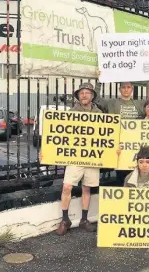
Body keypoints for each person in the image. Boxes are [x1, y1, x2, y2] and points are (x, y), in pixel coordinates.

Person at [56, 82, 102, 235]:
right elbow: (60, 134)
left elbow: (105, 134)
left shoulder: (99, 113)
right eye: (81, 93)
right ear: (78, 96)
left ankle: (84, 219)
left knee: (86, 188)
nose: (84, 95)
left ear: (92, 96)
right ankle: (65, 219)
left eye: (87, 93)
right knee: (67, 186)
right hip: (75, 156)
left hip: (92, 156)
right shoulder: (71, 112)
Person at [94, 70, 149, 186]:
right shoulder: (112, 103)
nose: (126, 89)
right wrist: (99, 81)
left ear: (132, 89)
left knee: (135, 175)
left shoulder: (138, 104)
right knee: (121, 177)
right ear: (119, 89)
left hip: (135, 145)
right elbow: (96, 100)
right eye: (123, 87)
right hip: (119, 146)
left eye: (128, 87)